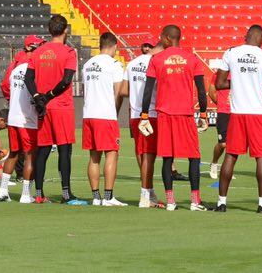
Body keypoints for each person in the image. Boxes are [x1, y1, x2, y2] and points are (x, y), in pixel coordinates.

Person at [139, 25, 209, 211]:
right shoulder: (192, 58)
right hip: (185, 114)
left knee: (167, 158)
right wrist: (203, 113)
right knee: (194, 157)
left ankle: (170, 201)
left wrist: (144, 115)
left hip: (164, 115)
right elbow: (201, 90)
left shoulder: (156, 59)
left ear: (168, 38)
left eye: (162, 36)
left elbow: (148, 90)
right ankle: (195, 201)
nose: (160, 39)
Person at [214, 25, 262, 213]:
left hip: (237, 113)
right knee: (261, 158)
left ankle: (221, 203)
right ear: (261, 38)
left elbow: (219, 84)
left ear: (246, 36)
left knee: (231, 155)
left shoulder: (231, 52)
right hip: (258, 114)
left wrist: (236, 81)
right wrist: (260, 84)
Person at [24, 14, 85, 205]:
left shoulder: (38, 52)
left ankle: (40, 193)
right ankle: (66, 193)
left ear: (50, 31)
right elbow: (67, 80)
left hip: (43, 108)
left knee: (42, 151)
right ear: (65, 30)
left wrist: (37, 97)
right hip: (61, 107)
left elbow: (28, 78)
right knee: (64, 150)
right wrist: (49, 96)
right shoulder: (68, 52)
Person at [83, 33, 127, 207]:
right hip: (105, 114)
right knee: (111, 153)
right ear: (114, 46)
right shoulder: (115, 64)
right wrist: (114, 111)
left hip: (89, 114)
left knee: (94, 156)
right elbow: (118, 92)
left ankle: (95, 197)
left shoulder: (88, 64)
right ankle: (108, 197)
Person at [0, 36, 42, 203]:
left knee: (13, 154)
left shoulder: (15, 68)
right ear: (31, 48)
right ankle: (25, 194)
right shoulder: (33, 68)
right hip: (28, 118)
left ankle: (2, 190)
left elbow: (5, 86)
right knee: (30, 155)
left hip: (13, 117)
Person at [126, 39, 162, 207]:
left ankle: (149, 191)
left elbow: (126, 91)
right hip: (150, 114)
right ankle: (145, 194)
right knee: (149, 155)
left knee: (142, 153)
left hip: (134, 114)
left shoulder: (132, 63)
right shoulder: (156, 62)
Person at [208, 69, 232, 181]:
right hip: (224, 112)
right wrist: (221, 104)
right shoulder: (219, 73)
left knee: (233, 144)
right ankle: (214, 163)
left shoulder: (241, 71)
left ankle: (227, 169)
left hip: (238, 112)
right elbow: (211, 91)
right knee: (223, 144)